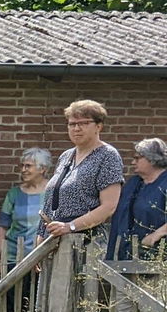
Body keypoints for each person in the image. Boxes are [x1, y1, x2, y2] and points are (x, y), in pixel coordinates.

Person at [0, 148, 51, 312]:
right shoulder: (14, 194)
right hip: (13, 257)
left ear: (43, 169)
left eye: (28, 166)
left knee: (37, 303)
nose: (23, 169)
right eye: (22, 165)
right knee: (12, 304)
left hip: (40, 258)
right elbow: (2, 226)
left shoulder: (52, 193)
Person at [41, 99, 123, 241]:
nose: (76, 128)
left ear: (99, 126)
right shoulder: (66, 156)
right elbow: (50, 204)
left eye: (84, 123)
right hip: (54, 240)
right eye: (72, 124)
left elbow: (109, 206)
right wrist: (41, 238)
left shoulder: (107, 155)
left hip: (86, 241)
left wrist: (70, 226)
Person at [107, 138, 167, 261]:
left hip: (158, 256)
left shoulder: (164, 183)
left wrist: (156, 235)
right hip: (127, 253)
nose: (133, 162)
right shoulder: (134, 184)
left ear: (152, 159)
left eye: (137, 158)